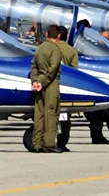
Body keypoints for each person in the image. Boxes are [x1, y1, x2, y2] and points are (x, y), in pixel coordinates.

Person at [30, 25, 63, 153]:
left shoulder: (39, 48)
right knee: (51, 113)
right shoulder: (55, 49)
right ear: (58, 36)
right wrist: (43, 83)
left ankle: (37, 143)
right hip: (51, 84)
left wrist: (36, 82)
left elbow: (34, 67)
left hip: (38, 84)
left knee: (39, 114)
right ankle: (49, 144)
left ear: (47, 34)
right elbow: (53, 68)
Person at [54, 26, 78, 152]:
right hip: (65, 87)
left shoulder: (47, 48)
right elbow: (74, 71)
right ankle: (62, 142)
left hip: (49, 86)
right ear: (67, 36)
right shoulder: (71, 50)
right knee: (65, 118)